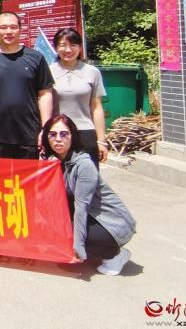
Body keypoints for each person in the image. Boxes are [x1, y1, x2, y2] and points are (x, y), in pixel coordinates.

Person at [41, 115, 135, 275]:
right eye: (53, 134)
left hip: (111, 223)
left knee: (64, 231)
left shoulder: (84, 165)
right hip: (91, 218)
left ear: (73, 136)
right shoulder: (53, 161)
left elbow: (81, 207)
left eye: (64, 134)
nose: (58, 139)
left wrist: (78, 246)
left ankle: (115, 254)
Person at [0, 12, 54, 159]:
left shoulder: (36, 58)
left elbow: (45, 94)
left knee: (30, 174)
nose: (8, 31)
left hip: (29, 134)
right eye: (3, 27)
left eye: (13, 27)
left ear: (20, 29)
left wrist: (46, 128)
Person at [50, 28, 108, 166]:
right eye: (62, 45)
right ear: (56, 47)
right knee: (58, 176)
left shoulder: (92, 72)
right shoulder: (47, 71)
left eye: (73, 45)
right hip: (57, 134)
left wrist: (101, 141)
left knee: (87, 176)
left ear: (80, 47)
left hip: (85, 133)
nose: (68, 50)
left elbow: (96, 108)